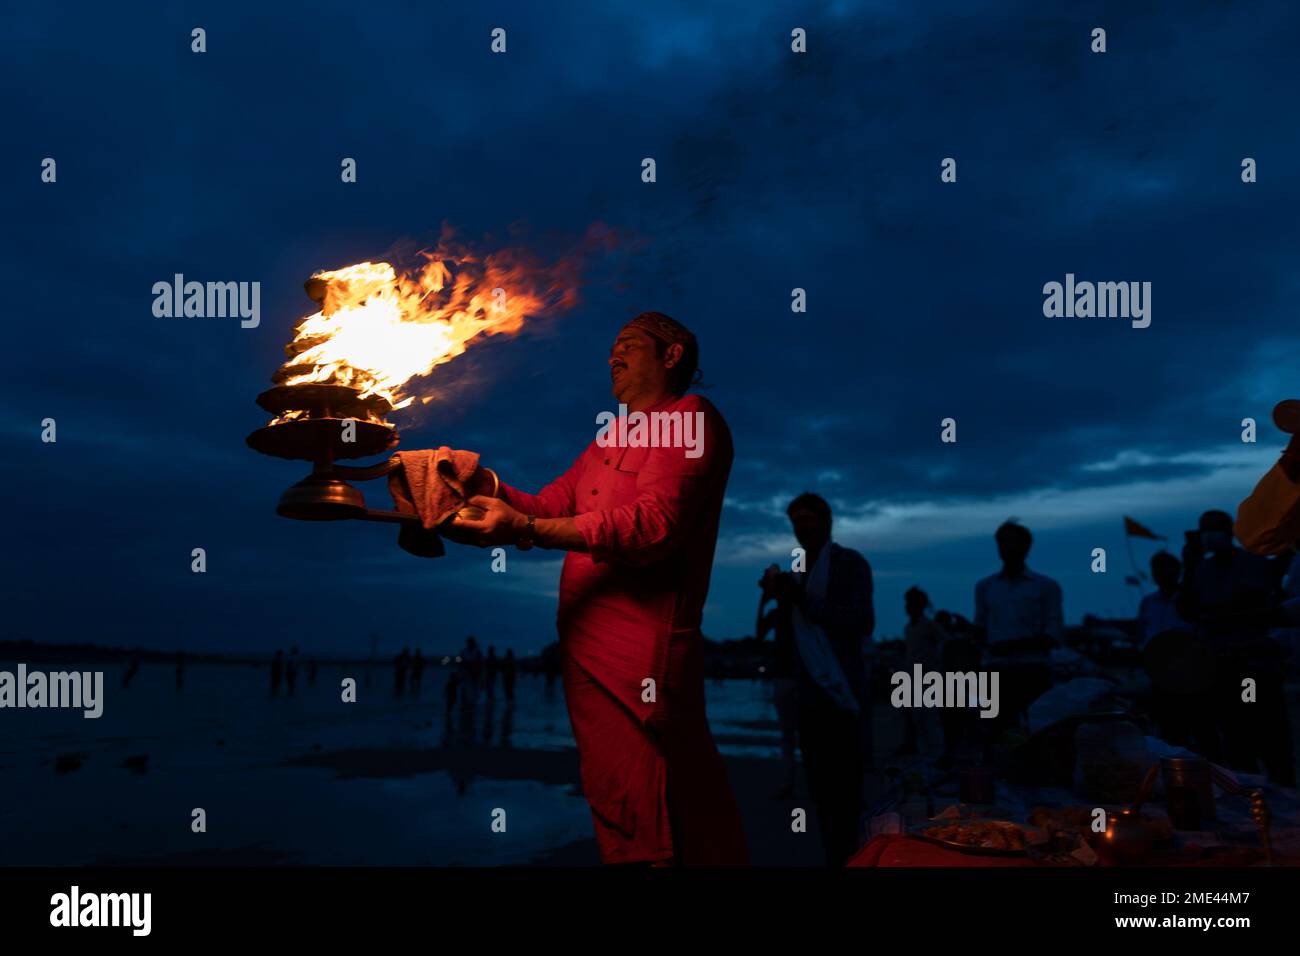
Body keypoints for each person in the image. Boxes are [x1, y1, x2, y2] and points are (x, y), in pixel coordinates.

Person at [444, 312, 747, 866]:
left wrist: (525, 531)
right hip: (584, 643)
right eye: (612, 347)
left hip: (642, 648)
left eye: (629, 345)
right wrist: (477, 485)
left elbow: (654, 524)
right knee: (615, 797)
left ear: (673, 354)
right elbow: (549, 504)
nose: (613, 356)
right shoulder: (612, 434)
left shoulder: (690, 418)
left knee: (664, 798)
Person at [762, 492, 874, 866]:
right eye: (797, 522)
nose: (802, 528)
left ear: (827, 523)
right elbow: (789, 638)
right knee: (823, 794)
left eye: (809, 520)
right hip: (808, 696)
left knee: (849, 792)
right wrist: (777, 597)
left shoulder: (849, 564)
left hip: (843, 692)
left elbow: (861, 622)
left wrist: (800, 599)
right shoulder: (797, 572)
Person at [1178, 510, 1295, 785]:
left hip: (1255, 668)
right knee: (1237, 740)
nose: (1210, 535)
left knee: (1271, 739)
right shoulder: (1201, 570)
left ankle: (1285, 799)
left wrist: (1217, 616)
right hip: (1224, 669)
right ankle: (1251, 798)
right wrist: (1189, 565)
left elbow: (1250, 604)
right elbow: (1187, 609)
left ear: (1229, 532)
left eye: (1214, 528)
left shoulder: (1253, 563)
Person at [973, 520, 1062, 731]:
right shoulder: (985, 587)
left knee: (1041, 734)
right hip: (996, 671)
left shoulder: (1046, 587)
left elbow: (1053, 635)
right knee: (996, 736)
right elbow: (980, 629)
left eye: (1012, 542)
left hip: (1033, 671)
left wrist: (1008, 646)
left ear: (1026, 547)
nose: (1006, 548)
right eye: (1003, 543)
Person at [756, 564, 801, 797]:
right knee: (792, 733)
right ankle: (790, 779)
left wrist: (764, 599)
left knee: (790, 734)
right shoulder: (786, 612)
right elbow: (760, 633)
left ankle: (790, 780)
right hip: (789, 676)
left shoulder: (794, 612)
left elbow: (759, 634)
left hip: (792, 676)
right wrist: (764, 599)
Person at [901, 587, 946, 756]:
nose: (908, 607)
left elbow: (945, 644)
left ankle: (935, 756)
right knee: (916, 720)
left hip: (928, 679)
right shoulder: (909, 628)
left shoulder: (929, 626)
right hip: (912, 679)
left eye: (911, 603)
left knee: (930, 720)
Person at [1137, 552, 1192, 648]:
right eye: (1155, 568)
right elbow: (1142, 632)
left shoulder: (1189, 600)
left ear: (1177, 571)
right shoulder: (1148, 602)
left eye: (1163, 568)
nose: (1158, 572)